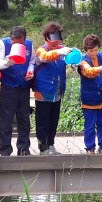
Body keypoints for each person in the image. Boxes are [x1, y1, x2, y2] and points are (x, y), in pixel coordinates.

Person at [0, 25, 35, 156]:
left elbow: (32, 61)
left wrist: (30, 71)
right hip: (8, 85)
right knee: (6, 118)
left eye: (20, 42)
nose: (16, 43)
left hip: (23, 85)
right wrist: (9, 62)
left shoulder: (29, 44)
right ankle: (5, 149)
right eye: (14, 41)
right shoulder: (3, 43)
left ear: (24, 38)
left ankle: (23, 148)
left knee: (24, 117)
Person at [33, 22, 68, 155]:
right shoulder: (41, 50)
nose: (56, 43)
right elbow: (44, 57)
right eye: (53, 41)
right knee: (43, 120)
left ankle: (51, 144)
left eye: (58, 40)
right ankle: (43, 147)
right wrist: (59, 51)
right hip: (43, 91)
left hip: (57, 91)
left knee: (54, 119)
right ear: (46, 38)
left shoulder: (62, 49)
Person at [77, 34, 102, 153]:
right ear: (86, 50)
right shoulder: (82, 61)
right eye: (91, 50)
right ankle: (90, 148)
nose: (94, 52)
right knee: (90, 126)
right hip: (89, 100)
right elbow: (88, 72)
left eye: (96, 49)